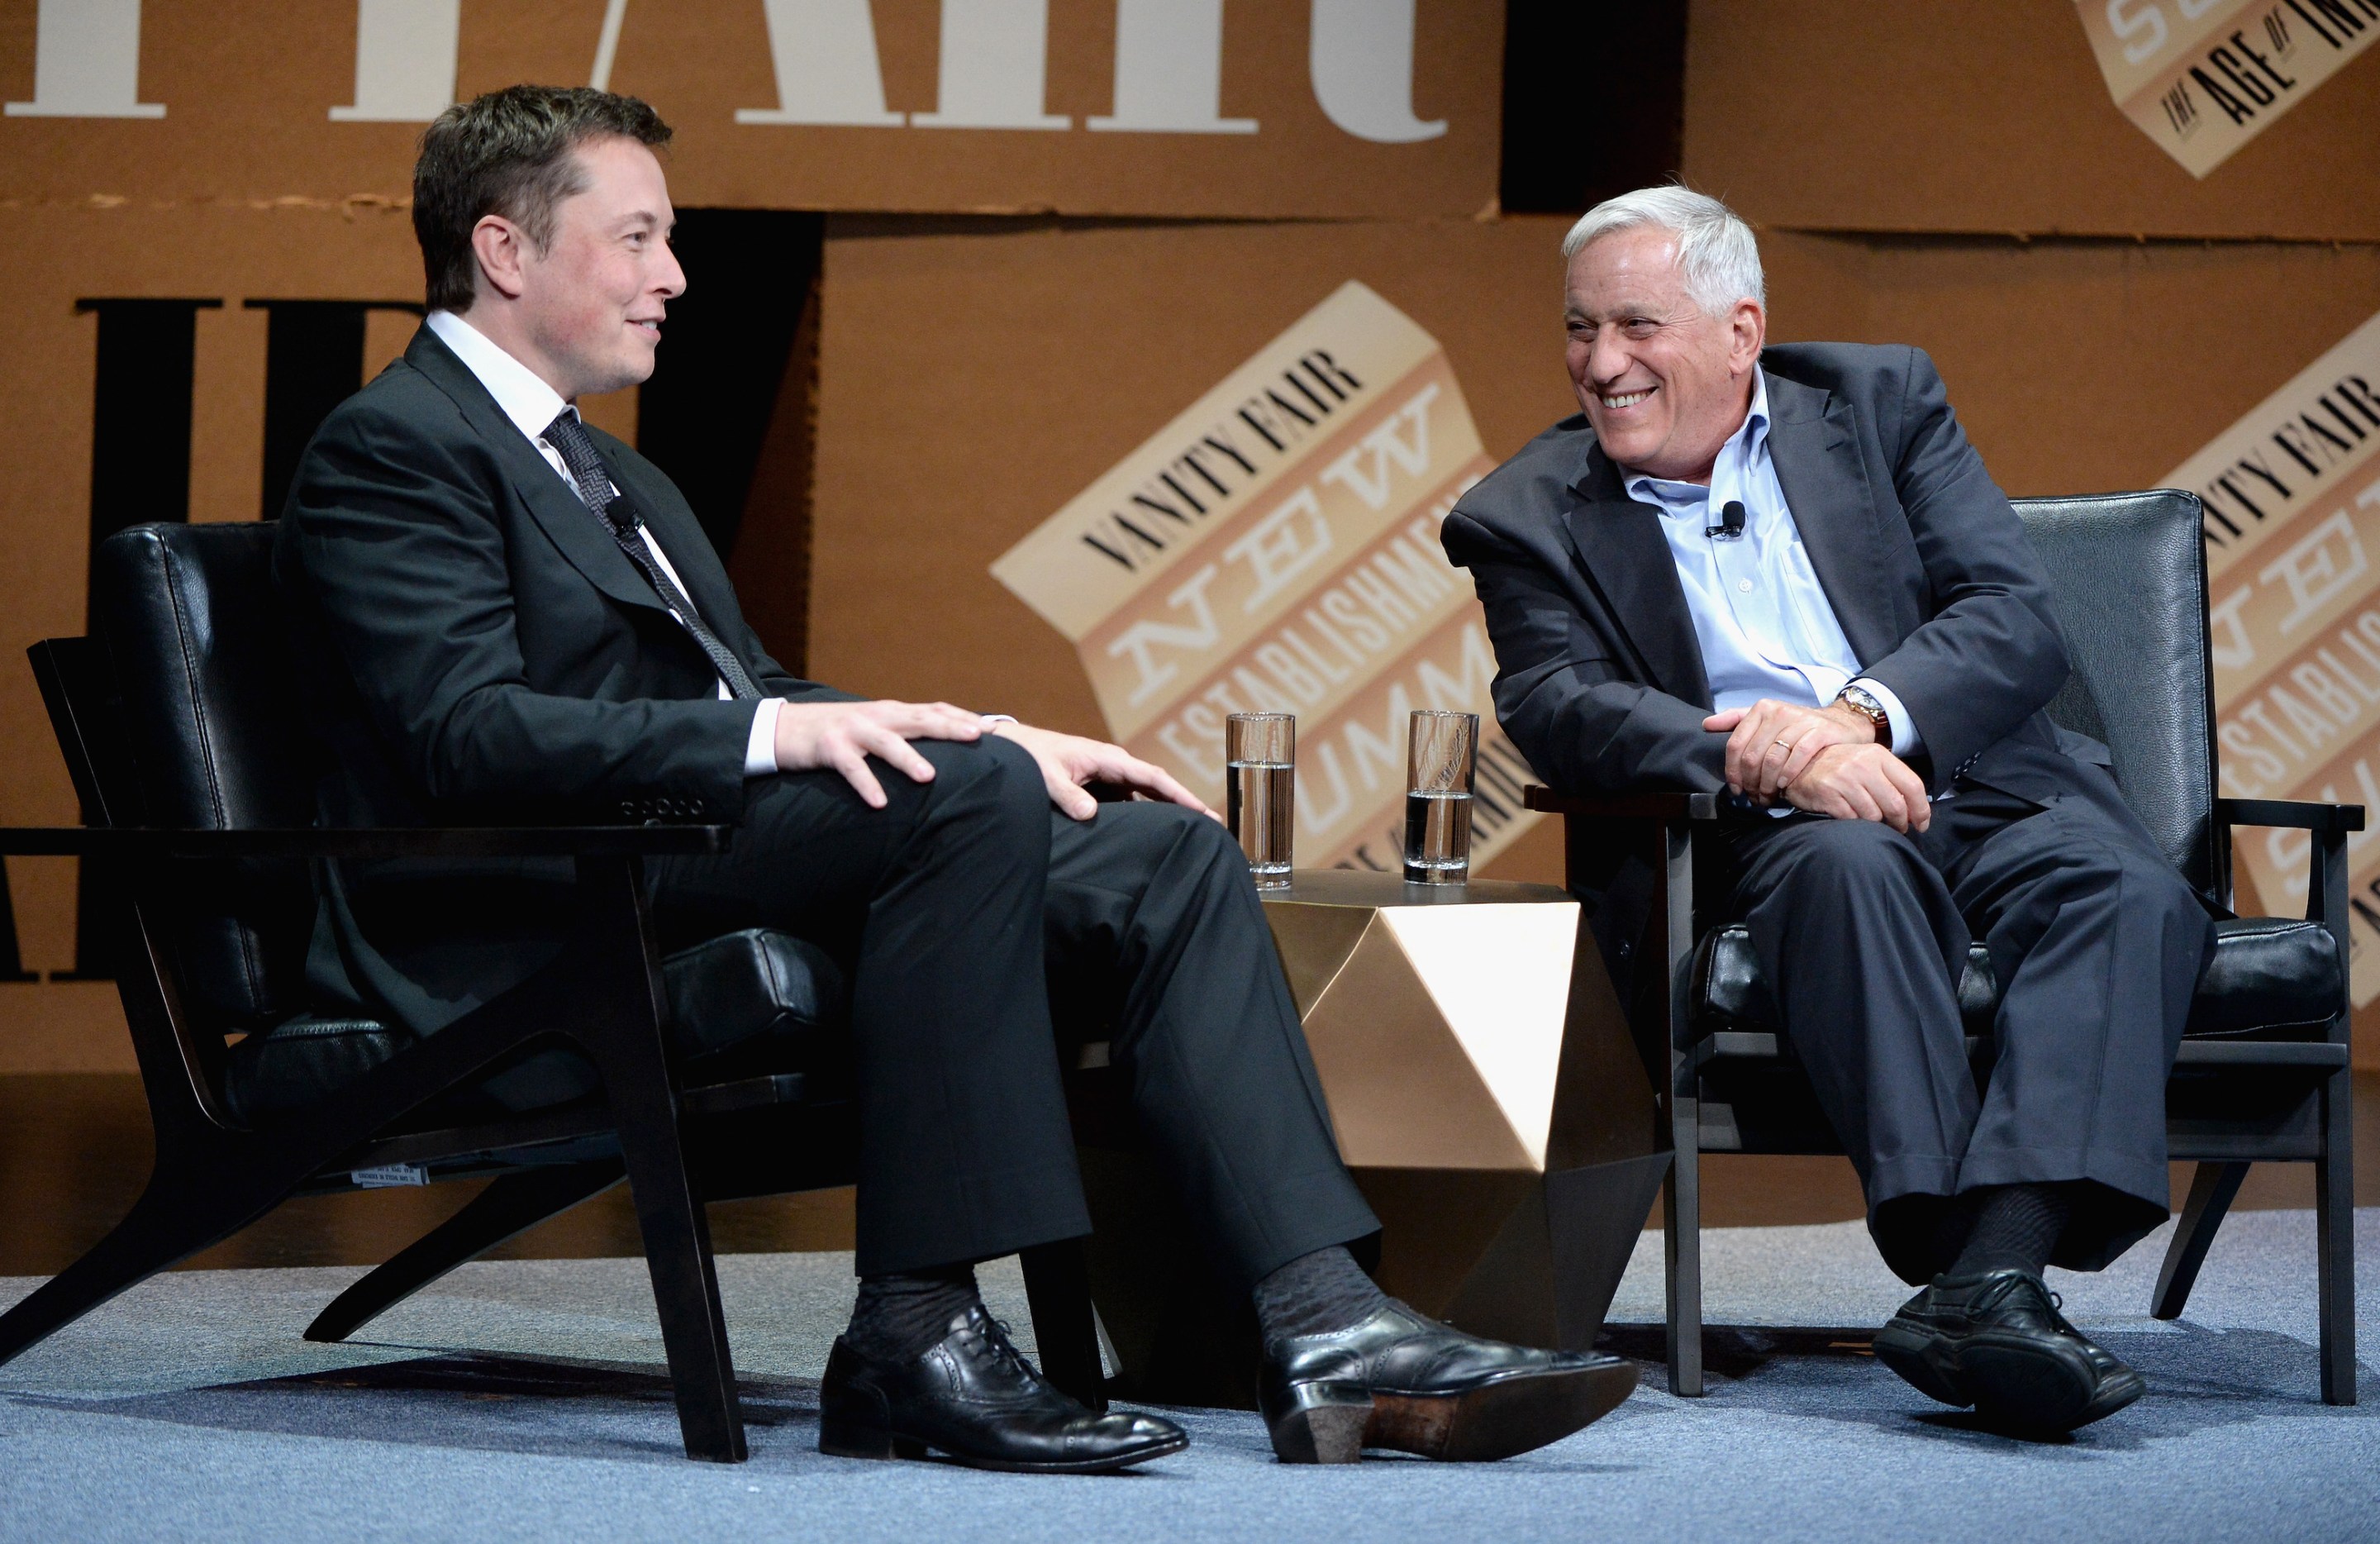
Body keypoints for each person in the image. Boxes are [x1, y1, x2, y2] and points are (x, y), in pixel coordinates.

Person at [273, 85, 1635, 1474]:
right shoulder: (397, 447)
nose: (674, 276)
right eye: (637, 240)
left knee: (1155, 851)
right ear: (506, 253)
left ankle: (1325, 1318)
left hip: (668, 842)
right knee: (969, 793)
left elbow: (750, 687)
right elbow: (463, 735)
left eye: (666, 240)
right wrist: (782, 740)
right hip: (528, 901)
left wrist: (994, 730)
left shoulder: (607, 468)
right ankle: (911, 1329)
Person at [1441, 185, 2215, 1436]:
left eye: (1638, 326)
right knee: (1849, 870)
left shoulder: (1878, 403)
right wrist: (1773, 750)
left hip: (1978, 780)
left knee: (2124, 887)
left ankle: (1990, 1278)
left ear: (1742, 331)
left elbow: (2012, 618)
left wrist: (1856, 719)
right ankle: (1976, 1272)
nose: (1601, 364)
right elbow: (1558, 703)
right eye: (1580, 330)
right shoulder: (1523, 513)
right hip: (1771, 834)